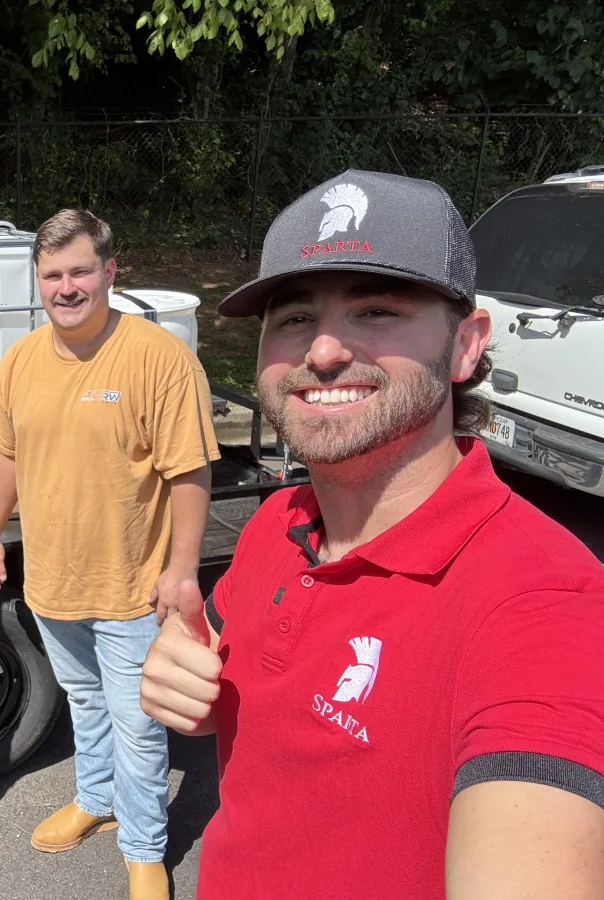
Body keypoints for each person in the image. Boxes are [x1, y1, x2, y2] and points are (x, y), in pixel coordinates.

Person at [139, 169, 604, 899]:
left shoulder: (544, 603)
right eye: (294, 318)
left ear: (466, 345)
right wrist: (184, 675)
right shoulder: (278, 521)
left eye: (378, 310)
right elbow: (231, 685)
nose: (323, 351)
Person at [0, 209, 221, 900]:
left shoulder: (157, 358)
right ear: (37, 280)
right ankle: (97, 799)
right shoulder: (21, 359)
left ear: (111, 271)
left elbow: (190, 471)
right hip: (53, 579)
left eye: (80, 271)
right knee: (84, 701)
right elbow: (8, 454)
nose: (66, 287)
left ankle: (144, 849)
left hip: (131, 586)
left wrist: (181, 570)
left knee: (137, 724)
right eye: (52, 275)